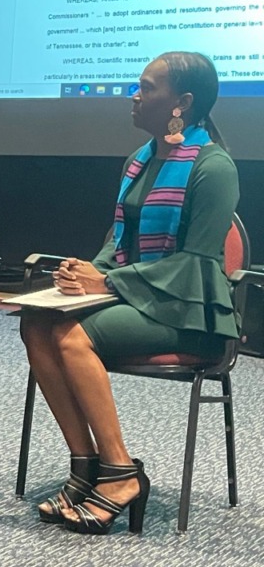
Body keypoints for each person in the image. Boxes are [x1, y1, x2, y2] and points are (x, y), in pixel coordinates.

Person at [20, 51, 239, 535]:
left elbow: (197, 263)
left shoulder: (213, 166)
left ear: (182, 102)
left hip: (190, 312)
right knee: (36, 322)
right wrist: (86, 272)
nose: (133, 96)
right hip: (140, 296)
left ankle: (119, 472)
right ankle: (85, 465)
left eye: (146, 87)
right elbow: (118, 243)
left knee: (74, 337)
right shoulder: (138, 161)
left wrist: (109, 282)